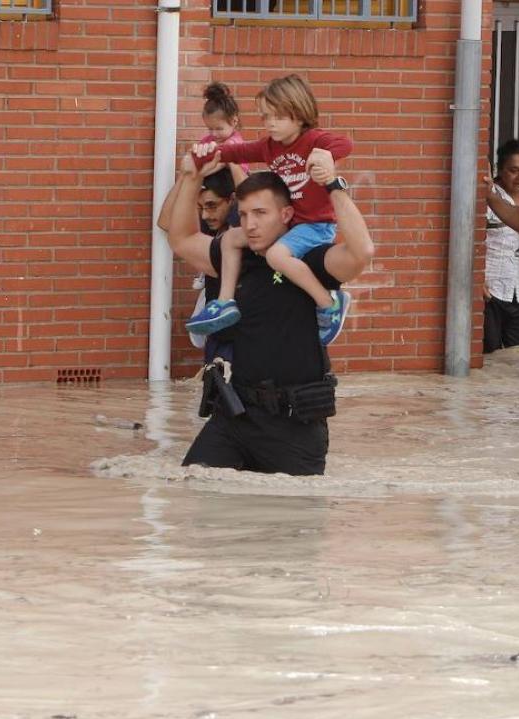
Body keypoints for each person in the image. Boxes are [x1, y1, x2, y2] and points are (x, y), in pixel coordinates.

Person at [166, 149, 373, 475]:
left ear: (287, 214)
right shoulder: (237, 258)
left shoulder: (309, 261)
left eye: (261, 213)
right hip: (234, 416)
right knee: (194, 494)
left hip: (294, 427)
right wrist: (191, 176)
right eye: (244, 214)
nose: (250, 224)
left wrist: (333, 185)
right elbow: (180, 239)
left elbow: (361, 253)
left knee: (289, 520)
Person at [186, 74, 354, 346]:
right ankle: (225, 302)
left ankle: (329, 302)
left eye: (277, 116)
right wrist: (205, 152)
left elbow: (345, 144)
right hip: (290, 224)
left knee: (276, 255)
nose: (270, 124)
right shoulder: (269, 146)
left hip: (315, 225)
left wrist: (326, 157)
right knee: (230, 238)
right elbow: (236, 152)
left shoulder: (313, 139)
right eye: (265, 117)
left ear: (298, 115)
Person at [156, 166, 237, 349]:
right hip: (218, 335)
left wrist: (233, 160)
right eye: (200, 207)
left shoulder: (242, 230)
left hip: (245, 335)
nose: (205, 215)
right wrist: (187, 176)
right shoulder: (210, 223)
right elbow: (165, 221)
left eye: (212, 205)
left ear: (232, 199)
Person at [481, 139, 519, 354]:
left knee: (517, 355)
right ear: (500, 170)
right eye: (513, 170)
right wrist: (477, 280)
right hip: (491, 290)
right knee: (488, 353)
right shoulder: (486, 198)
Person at [200, 81, 249, 187]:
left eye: (219, 129)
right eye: (210, 129)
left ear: (234, 121)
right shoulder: (206, 140)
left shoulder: (234, 143)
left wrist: (200, 174)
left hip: (232, 183)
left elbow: (219, 164)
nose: (214, 134)